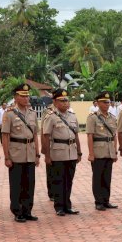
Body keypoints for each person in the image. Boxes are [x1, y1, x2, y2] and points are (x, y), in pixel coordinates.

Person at [1, 83, 41, 222]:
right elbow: (5, 136)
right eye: (23, 96)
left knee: (29, 184)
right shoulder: (9, 114)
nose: (26, 98)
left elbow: (35, 134)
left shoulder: (32, 113)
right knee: (17, 184)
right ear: (16, 97)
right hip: (16, 153)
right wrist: (6, 157)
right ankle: (17, 211)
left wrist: (37, 154)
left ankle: (27, 210)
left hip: (30, 153)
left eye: (27, 95)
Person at [42, 88, 81, 216]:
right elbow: (46, 136)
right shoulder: (51, 117)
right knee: (59, 180)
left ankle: (67, 205)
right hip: (57, 152)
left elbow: (76, 135)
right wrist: (47, 155)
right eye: (62, 100)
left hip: (71, 152)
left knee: (69, 180)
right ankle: (59, 206)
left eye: (66, 100)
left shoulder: (72, 116)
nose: (65, 103)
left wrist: (79, 152)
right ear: (55, 102)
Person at [86, 91, 118, 210]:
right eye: (104, 102)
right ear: (98, 103)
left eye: (108, 102)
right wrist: (91, 154)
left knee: (107, 177)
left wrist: (115, 151)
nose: (107, 104)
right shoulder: (92, 117)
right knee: (98, 177)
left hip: (109, 150)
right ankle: (98, 201)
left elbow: (114, 135)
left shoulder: (112, 117)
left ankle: (106, 200)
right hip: (98, 151)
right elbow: (90, 136)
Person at [41, 103, 56, 202]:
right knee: (51, 170)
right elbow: (43, 130)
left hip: (61, 147)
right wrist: (44, 148)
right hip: (50, 144)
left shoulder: (68, 109)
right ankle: (51, 193)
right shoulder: (47, 111)